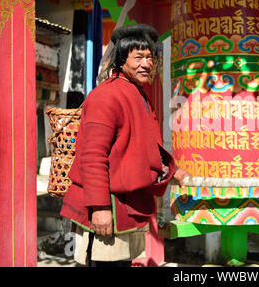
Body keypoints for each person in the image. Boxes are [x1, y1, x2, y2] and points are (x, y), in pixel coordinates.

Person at [60, 24, 189, 267]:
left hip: (127, 205)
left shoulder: (136, 93)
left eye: (150, 57)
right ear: (121, 60)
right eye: (138, 56)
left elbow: (143, 146)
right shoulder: (106, 96)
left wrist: (173, 172)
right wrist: (99, 207)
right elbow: (92, 156)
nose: (146, 64)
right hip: (106, 206)